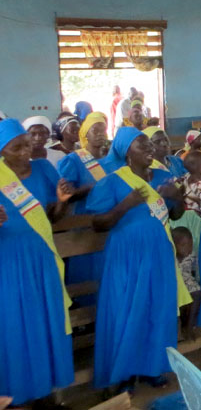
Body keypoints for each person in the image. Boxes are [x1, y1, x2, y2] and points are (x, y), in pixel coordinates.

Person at [85, 127, 190, 391]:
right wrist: (125, 205)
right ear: (125, 152)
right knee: (127, 310)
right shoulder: (112, 182)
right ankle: (125, 372)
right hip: (127, 256)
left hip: (158, 252)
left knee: (157, 308)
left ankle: (152, 367)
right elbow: (98, 224)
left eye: (148, 145)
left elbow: (175, 215)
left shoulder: (164, 178)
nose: (149, 149)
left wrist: (176, 198)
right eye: (140, 145)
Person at [0, 119, 74, 409]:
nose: (23, 152)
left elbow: (52, 218)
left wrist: (62, 201)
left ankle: (46, 391)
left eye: (25, 144)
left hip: (42, 260)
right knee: (15, 324)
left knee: (47, 322)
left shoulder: (44, 169)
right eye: (15, 148)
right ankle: (15, 395)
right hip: (9, 264)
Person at [58, 112, 115, 302]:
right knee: (87, 268)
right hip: (85, 222)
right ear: (86, 134)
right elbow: (67, 195)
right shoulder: (74, 160)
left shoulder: (111, 161)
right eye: (95, 130)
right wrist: (91, 188)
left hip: (111, 221)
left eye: (103, 130)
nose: (100, 134)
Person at [172, 227, 201, 341]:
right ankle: (178, 328)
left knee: (197, 292)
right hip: (175, 284)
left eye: (190, 244)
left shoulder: (191, 256)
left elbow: (196, 272)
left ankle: (189, 326)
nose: (189, 248)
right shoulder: (170, 257)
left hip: (188, 283)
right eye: (184, 245)